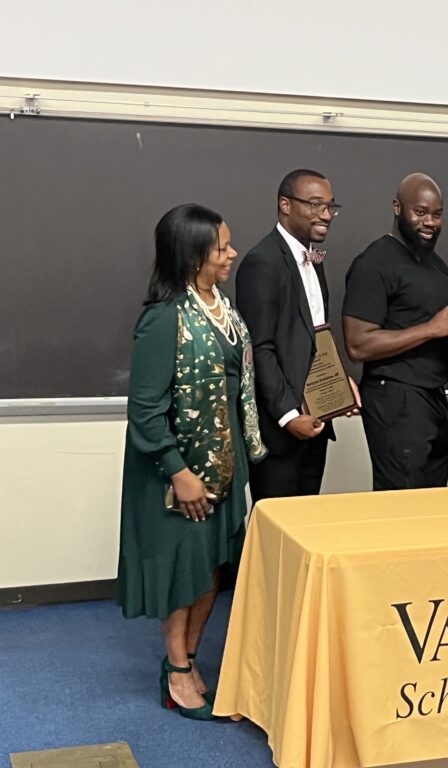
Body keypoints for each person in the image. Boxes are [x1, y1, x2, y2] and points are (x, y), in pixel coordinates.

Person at [117, 204, 267, 720]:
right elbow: (146, 411)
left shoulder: (219, 306)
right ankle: (177, 670)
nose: (231, 253)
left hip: (225, 466)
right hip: (178, 472)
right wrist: (179, 473)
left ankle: (190, 659)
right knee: (184, 571)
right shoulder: (164, 319)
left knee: (211, 570)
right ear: (192, 254)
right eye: (221, 247)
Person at [235, 169, 358, 504]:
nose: (326, 215)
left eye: (331, 207)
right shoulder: (262, 262)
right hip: (281, 431)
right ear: (285, 205)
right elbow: (259, 348)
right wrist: (290, 415)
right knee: (278, 535)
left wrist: (339, 382)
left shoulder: (314, 260)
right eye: (315, 204)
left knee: (305, 529)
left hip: (315, 423)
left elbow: (314, 335)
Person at [342, 173, 448, 490]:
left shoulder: (438, 266)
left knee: (432, 501)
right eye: (420, 212)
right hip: (394, 398)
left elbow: (440, 337)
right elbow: (358, 344)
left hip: (433, 398)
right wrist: (431, 328)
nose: (429, 222)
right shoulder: (374, 263)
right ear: (398, 208)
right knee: (401, 503)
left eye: (436, 214)